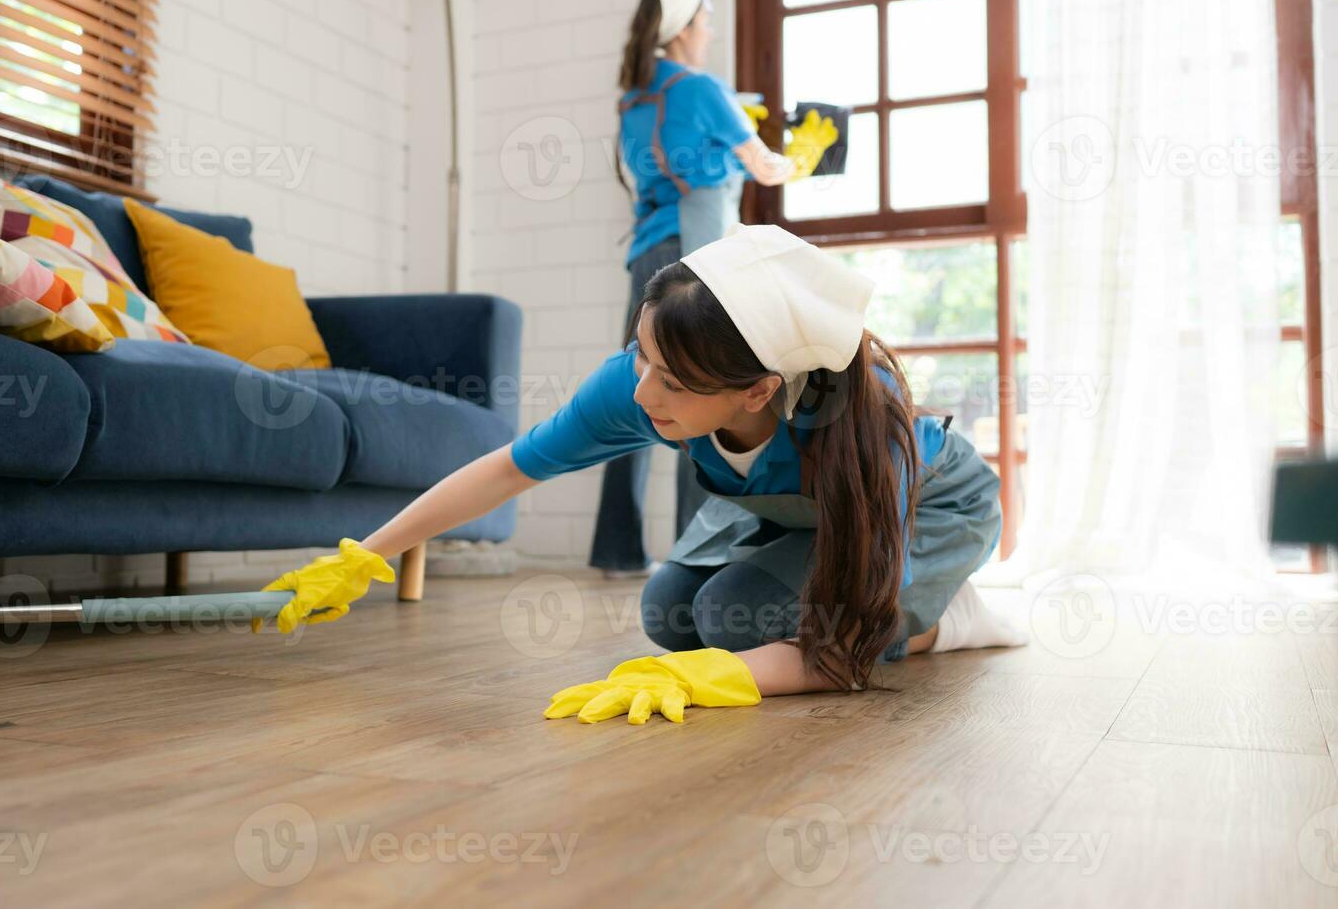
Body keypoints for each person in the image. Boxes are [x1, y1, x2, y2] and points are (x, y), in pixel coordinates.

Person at [262, 224, 1028, 724]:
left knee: (731, 617)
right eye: (642, 356)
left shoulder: (862, 430)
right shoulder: (646, 381)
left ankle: (943, 617)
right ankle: (888, 598)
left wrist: (706, 683)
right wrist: (368, 552)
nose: (642, 393)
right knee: (671, 612)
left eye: (673, 382)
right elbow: (506, 469)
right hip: (787, 509)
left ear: (759, 391)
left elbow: (835, 658)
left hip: (922, 509)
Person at [596, 0, 816, 579]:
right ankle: (696, 552)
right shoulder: (703, 89)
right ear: (686, 27)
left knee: (633, 395)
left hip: (647, 255)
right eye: (707, 19)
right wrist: (807, 152)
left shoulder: (636, 97)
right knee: (700, 397)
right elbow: (766, 168)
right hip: (695, 263)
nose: (711, 30)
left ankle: (615, 550)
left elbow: (666, 160)